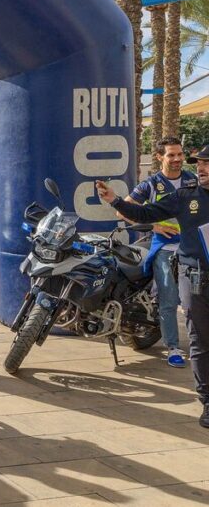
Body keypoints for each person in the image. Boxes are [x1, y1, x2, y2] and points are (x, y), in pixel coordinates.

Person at [97, 149, 209, 429]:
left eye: (208, 164)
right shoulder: (186, 195)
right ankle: (207, 401)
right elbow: (145, 212)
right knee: (200, 341)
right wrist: (115, 201)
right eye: (201, 164)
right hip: (194, 276)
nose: (202, 168)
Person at [117, 137, 196, 367]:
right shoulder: (150, 185)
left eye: (180, 154)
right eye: (171, 155)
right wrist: (154, 226)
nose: (177, 159)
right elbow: (123, 211)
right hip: (164, 248)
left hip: (193, 247)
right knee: (169, 298)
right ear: (160, 157)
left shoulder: (193, 180)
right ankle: (173, 347)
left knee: (197, 299)